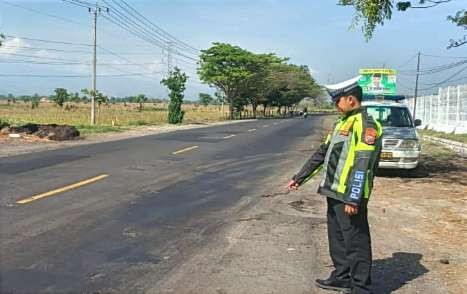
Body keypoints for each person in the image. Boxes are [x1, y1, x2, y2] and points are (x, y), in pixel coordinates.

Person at [287, 76, 383, 294]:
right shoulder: (342, 122)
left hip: (349, 195)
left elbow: (362, 163)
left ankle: (360, 287)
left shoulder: (367, 125)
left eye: (336, 101)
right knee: (338, 238)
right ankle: (341, 276)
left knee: (356, 242)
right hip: (333, 190)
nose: (334, 105)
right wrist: (299, 177)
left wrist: (353, 197)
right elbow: (323, 152)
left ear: (350, 99)